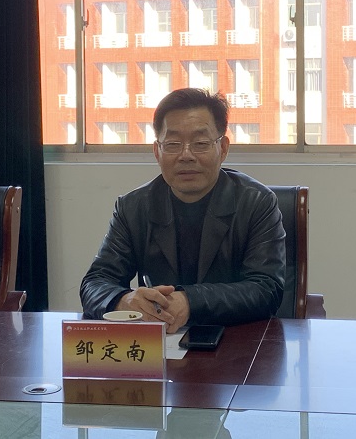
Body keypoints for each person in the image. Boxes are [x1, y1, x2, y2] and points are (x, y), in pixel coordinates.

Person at [80, 88, 286, 333]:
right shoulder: (133, 207)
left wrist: (190, 301)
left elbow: (266, 288)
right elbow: (95, 283)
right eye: (173, 144)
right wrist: (123, 301)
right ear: (157, 151)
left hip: (236, 341)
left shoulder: (257, 203)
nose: (186, 155)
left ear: (223, 148)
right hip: (161, 344)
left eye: (200, 144)